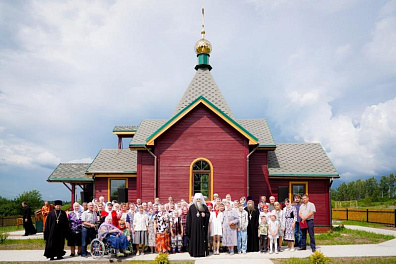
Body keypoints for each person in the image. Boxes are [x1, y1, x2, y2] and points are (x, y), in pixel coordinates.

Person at [186, 193, 210, 257]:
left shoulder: (204, 207)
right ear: (195, 200)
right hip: (193, 228)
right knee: (194, 240)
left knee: (201, 240)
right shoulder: (192, 207)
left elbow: (208, 214)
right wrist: (189, 228)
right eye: (197, 199)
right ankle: (194, 253)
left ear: (201, 200)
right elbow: (189, 218)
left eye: (199, 199)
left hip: (202, 227)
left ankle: (201, 253)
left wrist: (205, 215)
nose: (198, 200)